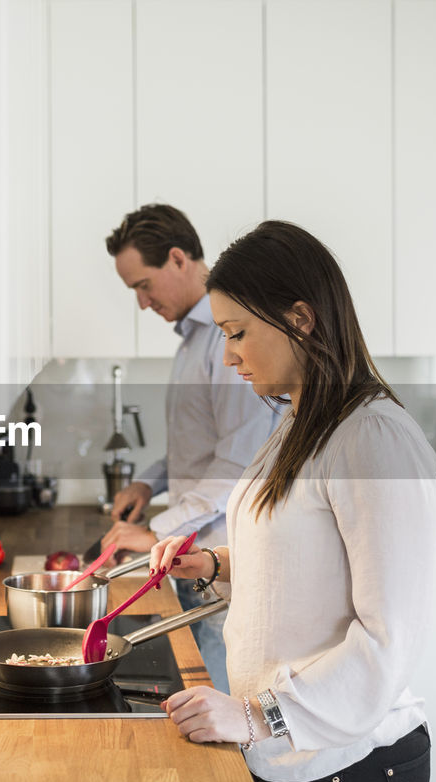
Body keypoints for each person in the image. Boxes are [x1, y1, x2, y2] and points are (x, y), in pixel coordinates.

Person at [149, 221, 436, 782]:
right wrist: (215, 564)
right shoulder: (304, 421)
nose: (228, 355)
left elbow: (388, 639)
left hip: (349, 764)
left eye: (237, 333)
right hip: (294, 752)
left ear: (301, 319)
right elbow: (300, 565)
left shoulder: (375, 440)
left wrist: (255, 717)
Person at [98, 203, 278, 694]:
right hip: (194, 555)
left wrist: (156, 528)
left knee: (223, 707)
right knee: (204, 696)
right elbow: (196, 445)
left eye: (143, 285)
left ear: (178, 259)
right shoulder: (191, 342)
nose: (141, 303)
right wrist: (148, 482)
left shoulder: (227, 342)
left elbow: (237, 463)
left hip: (224, 560)